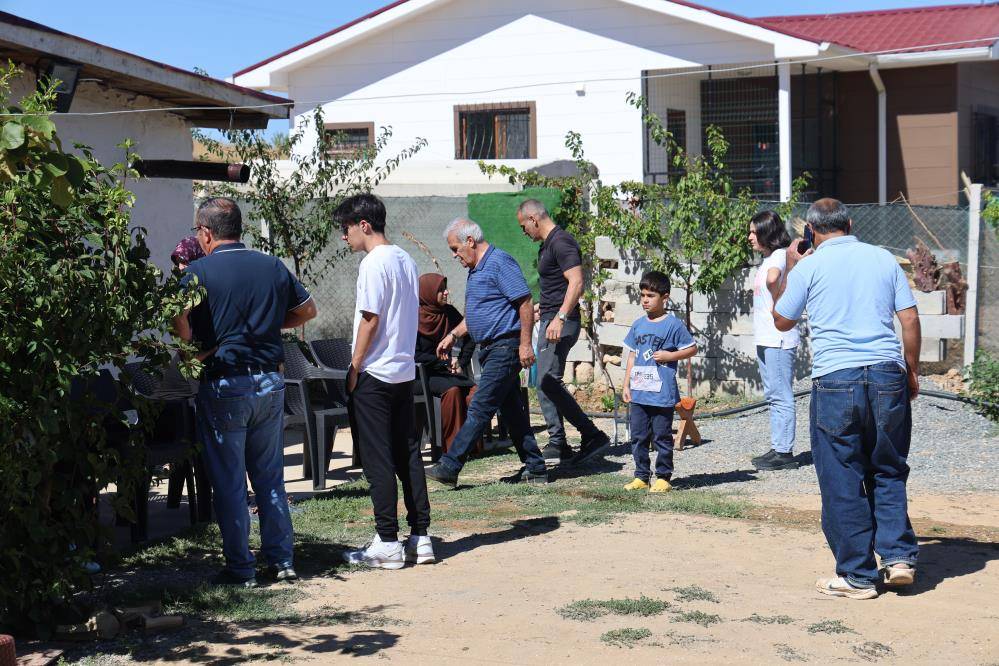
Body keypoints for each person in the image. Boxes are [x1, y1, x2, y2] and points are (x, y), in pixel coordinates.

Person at [773, 198, 921, 600]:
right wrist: (910, 370)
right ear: (850, 223)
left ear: (811, 231)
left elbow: (782, 319)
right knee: (888, 467)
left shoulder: (809, 266)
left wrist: (790, 264)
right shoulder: (883, 259)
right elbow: (908, 318)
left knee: (843, 475)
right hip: (887, 373)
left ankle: (857, 576)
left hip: (837, 377)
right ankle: (899, 559)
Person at [174, 197, 317, 587]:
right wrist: (271, 326)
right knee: (271, 477)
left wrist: (189, 343)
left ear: (205, 232)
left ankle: (241, 568)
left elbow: (179, 321)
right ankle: (281, 560)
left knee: (230, 482)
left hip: (224, 384)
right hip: (270, 383)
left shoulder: (197, 272)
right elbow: (308, 311)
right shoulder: (270, 265)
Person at [336, 194, 435, 570]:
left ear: (363, 224)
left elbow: (370, 318)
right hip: (402, 372)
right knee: (407, 452)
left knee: (377, 457)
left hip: (375, 373)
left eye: (345, 229)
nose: (344, 237)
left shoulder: (373, 263)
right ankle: (420, 536)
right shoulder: (405, 259)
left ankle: (388, 541)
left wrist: (354, 366)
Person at [425, 217, 548, 488]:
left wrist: (525, 344)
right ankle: (535, 467)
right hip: (491, 349)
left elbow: (525, 302)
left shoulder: (498, 263)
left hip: (505, 347)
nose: (455, 256)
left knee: (480, 406)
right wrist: (453, 335)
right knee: (512, 411)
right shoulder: (477, 269)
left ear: (470, 241)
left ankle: (450, 465)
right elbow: (479, 314)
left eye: (456, 249)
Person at [516, 199, 610, 466]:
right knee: (546, 380)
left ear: (534, 219)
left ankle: (590, 435)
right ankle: (560, 442)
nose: (524, 232)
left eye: (524, 226)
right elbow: (556, 286)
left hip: (561, 322)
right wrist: (540, 312)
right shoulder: (548, 245)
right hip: (550, 318)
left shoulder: (561, 241)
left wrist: (558, 316)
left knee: (547, 379)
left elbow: (577, 282)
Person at [621, 271, 697, 493]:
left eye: (651, 295)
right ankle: (641, 476)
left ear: (665, 297)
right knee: (638, 435)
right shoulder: (637, 325)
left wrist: (669, 356)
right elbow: (633, 356)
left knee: (662, 436)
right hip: (639, 392)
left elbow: (692, 348)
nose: (645, 300)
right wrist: (626, 385)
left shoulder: (673, 325)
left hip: (661, 393)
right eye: (643, 295)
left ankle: (663, 477)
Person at [747, 211, 800, 471]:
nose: (750, 237)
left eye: (754, 233)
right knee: (774, 394)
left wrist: (773, 283)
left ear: (768, 233)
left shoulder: (779, 256)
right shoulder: (769, 258)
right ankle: (779, 445)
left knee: (781, 395)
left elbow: (774, 279)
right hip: (767, 337)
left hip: (779, 338)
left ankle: (785, 453)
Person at [415, 273, 477, 455]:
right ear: (427, 293)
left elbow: (470, 333)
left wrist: (462, 361)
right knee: (453, 391)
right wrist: (444, 361)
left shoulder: (448, 313)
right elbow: (412, 355)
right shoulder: (412, 317)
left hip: (443, 373)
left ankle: (471, 446)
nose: (446, 293)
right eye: (441, 290)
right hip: (419, 375)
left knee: (474, 392)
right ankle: (452, 448)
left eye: (445, 288)